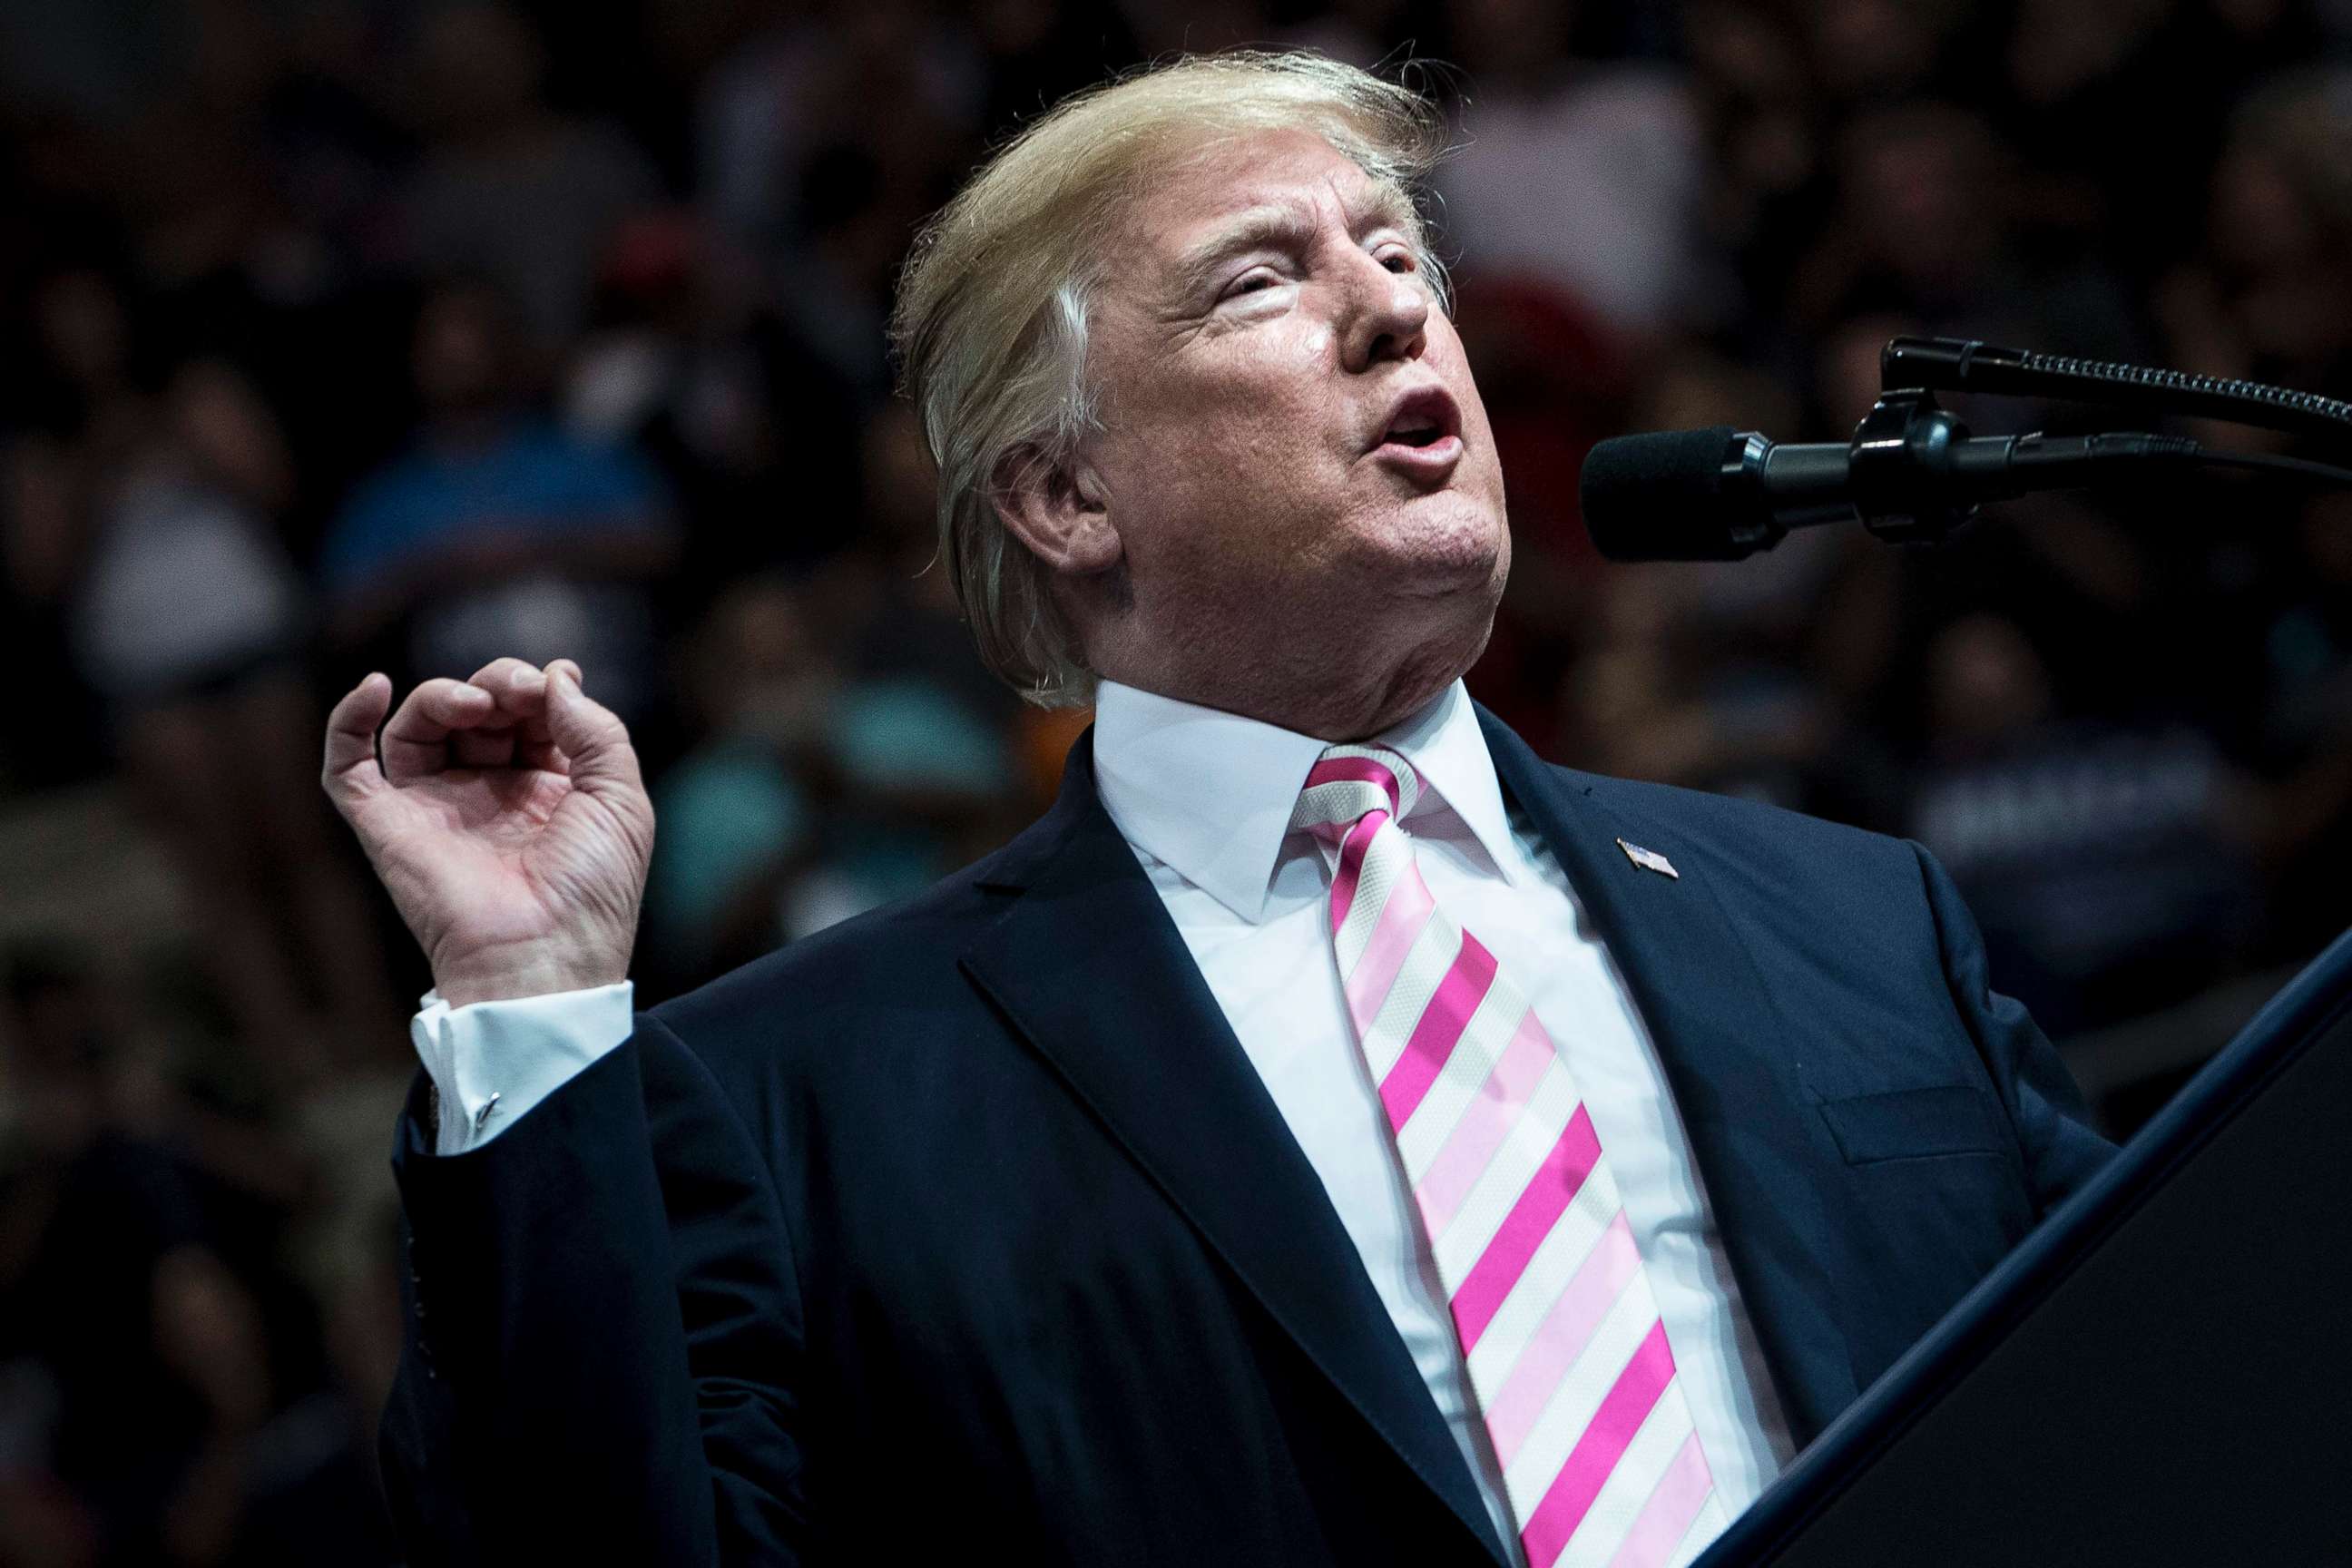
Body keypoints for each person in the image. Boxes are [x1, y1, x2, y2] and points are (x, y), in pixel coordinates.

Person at [320, 53, 2111, 1568]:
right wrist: (532, 1008)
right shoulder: (806, 1099)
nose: (1397, 306)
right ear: (1066, 494)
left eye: (1405, 255)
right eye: (1262, 281)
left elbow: (2182, 1374)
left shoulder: (1866, 923)